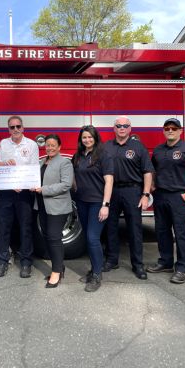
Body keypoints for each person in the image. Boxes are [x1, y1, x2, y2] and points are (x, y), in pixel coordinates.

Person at [147, 118, 185, 284]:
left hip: (179, 197)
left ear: (180, 131)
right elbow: (153, 171)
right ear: (164, 131)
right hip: (161, 196)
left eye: (174, 128)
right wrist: (152, 186)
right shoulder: (158, 150)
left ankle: (182, 268)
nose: (170, 130)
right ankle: (165, 262)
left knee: (180, 233)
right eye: (167, 128)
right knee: (162, 231)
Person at [103, 116, 154, 280]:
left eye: (126, 126)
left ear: (130, 129)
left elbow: (148, 172)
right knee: (111, 227)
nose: (122, 128)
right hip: (113, 190)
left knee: (134, 229)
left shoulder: (138, 147)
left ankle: (138, 265)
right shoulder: (106, 147)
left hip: (133, 191)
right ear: (114, 128)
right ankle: (112, 260)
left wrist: (145, 194)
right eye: (119, 125)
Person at [0, 115, 39, 278]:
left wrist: (23, 185)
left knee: (26, 227)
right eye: (12, 127)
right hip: (7, 191)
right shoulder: (4, 144)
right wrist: (6, 163)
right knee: (4, 226)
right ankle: (2, 260)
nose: (15, 130)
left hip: (24, 192)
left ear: (23, 128)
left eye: (18, 126)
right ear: (8, 129)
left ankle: (26, 262)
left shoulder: (32, 145)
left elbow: (34, 169)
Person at [72, 125, 113, 292]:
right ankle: (93, 269)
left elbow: (109, 181)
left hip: (97, 203)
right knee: (88, 239)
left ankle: (97, 275)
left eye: (90, 137)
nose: (87, 140)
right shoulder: (78, 156)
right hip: (82, 202)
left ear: (95, 138)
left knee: (92, 238)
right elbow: (74, 177)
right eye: (84, 138)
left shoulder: (104, 155)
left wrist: (105, 205)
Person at [33, 134, 73, 288]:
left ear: (59, 147)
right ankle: (59, 266)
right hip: (42, 205)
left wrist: (43, 189)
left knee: (54, 237)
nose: (49, 147)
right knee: (48, 236)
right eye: (47, 145)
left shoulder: (64, 163)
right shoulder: (42, 162)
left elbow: (66, 184)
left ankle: (56, 271)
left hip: (58, 207)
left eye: (53, 145)